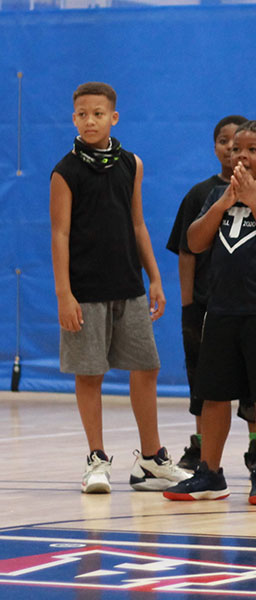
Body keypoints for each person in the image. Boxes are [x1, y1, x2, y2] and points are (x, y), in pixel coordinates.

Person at [49, 81, 190, 494]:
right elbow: (60, 234)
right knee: (89, 372)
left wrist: (155, 278)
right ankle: (96, 458)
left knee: (147, 367)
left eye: (97, 113)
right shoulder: (65, 171)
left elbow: (137, 224)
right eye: (81, 114)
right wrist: (64, 293)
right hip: (85, 290)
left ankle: (150, 459)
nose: (89, 120)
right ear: (74, 118)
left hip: (129, 286)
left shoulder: (132, 163)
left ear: (113, 117)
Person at [163, 120, 256, 505]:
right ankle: (209, 472)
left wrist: (255, 202)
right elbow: (194, 240)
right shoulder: (215, 196)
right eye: (236, 148)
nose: (240, 155)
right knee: (213, 396)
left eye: (252, 150)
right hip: (220, 310)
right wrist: (226, 201)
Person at [165, 115, 256, 472]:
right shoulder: (200, 195)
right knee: (204, 384)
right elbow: (186, 251)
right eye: (225, 142)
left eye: (242, 145)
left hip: (253, 305)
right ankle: (202, 444)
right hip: (208, 305)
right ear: (216, 146)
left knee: (255, 383)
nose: (232, 150)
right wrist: (189, 305)